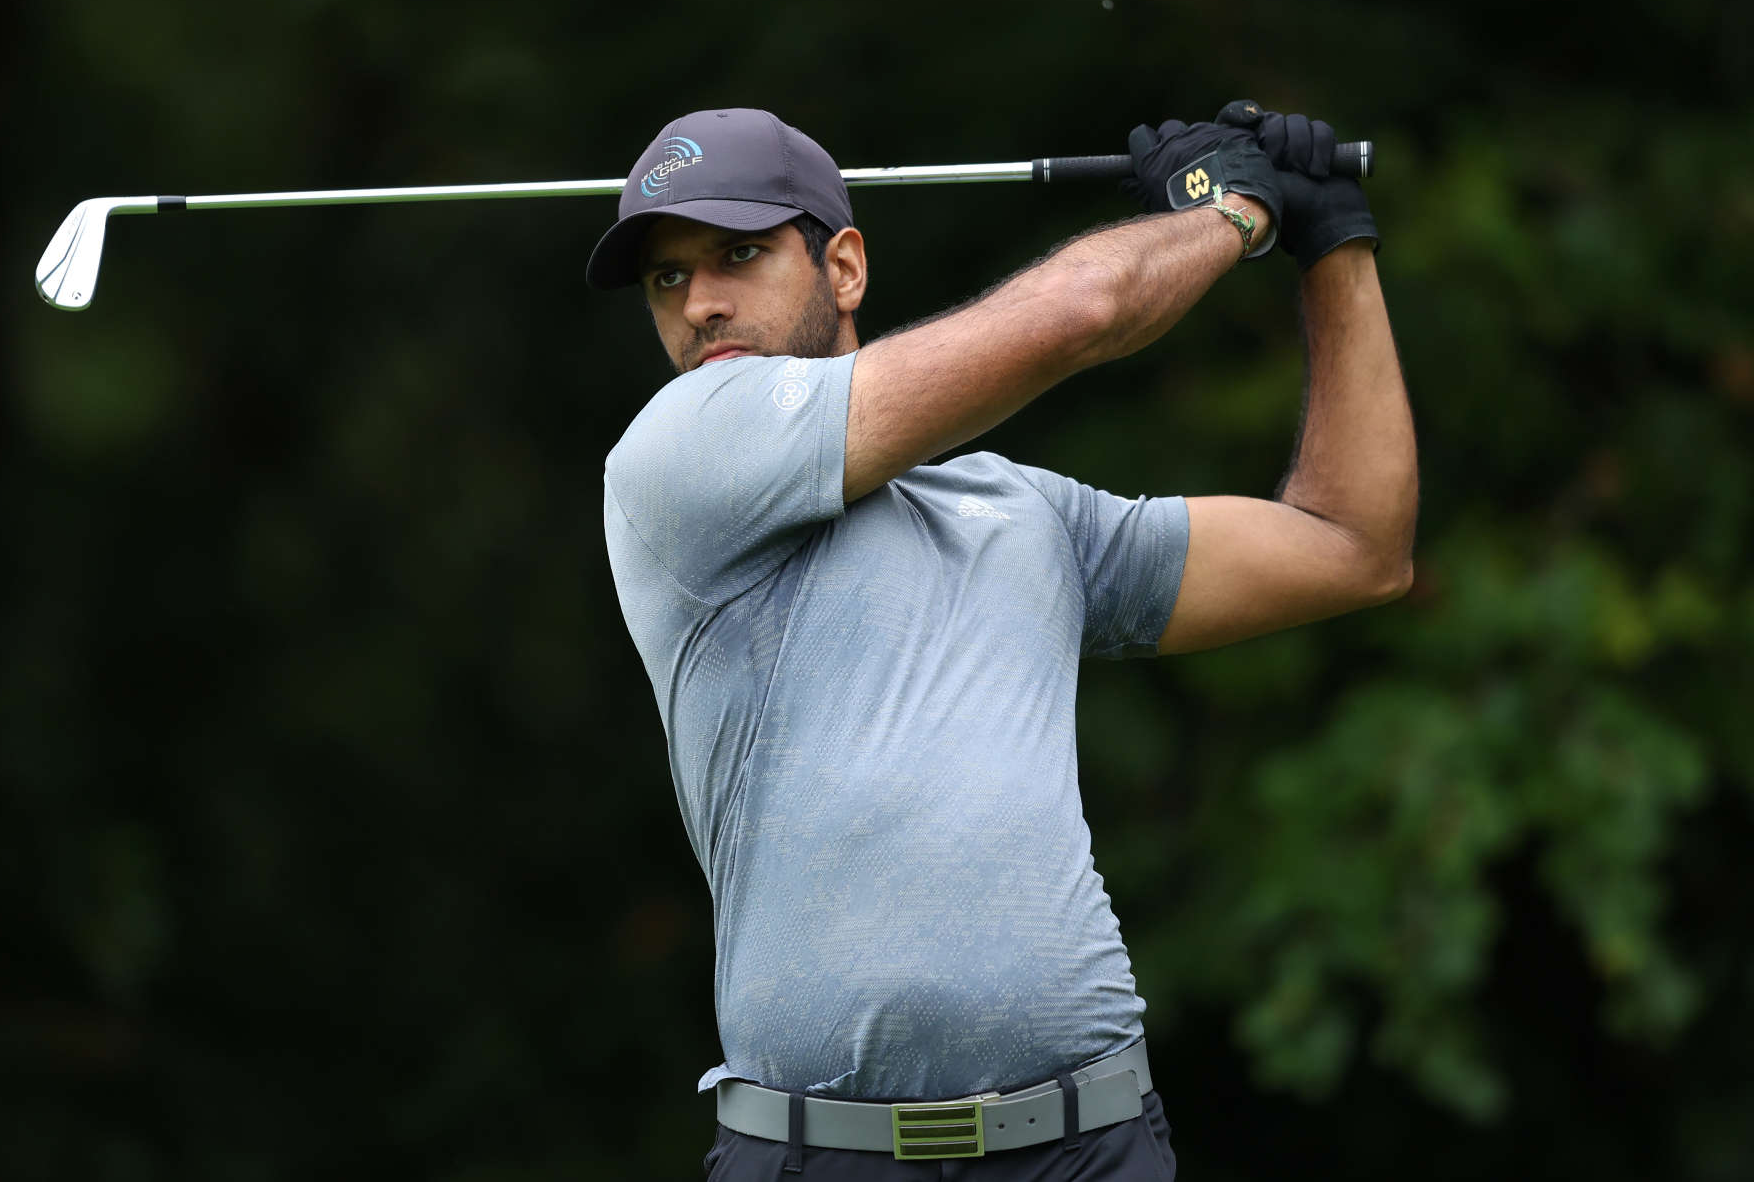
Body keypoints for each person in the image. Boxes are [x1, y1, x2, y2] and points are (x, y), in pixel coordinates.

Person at [587, 105, 1416, 1179]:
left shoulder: (1025, 513)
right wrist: (1233, 212)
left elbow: (1353, 544)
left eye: (737, 254)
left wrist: (1334, 244)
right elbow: (1082, 308)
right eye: (667, 279)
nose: (700, 303)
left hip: (1086, 1150)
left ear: (843, 266)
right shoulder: (677, 460)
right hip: (820, 1160)